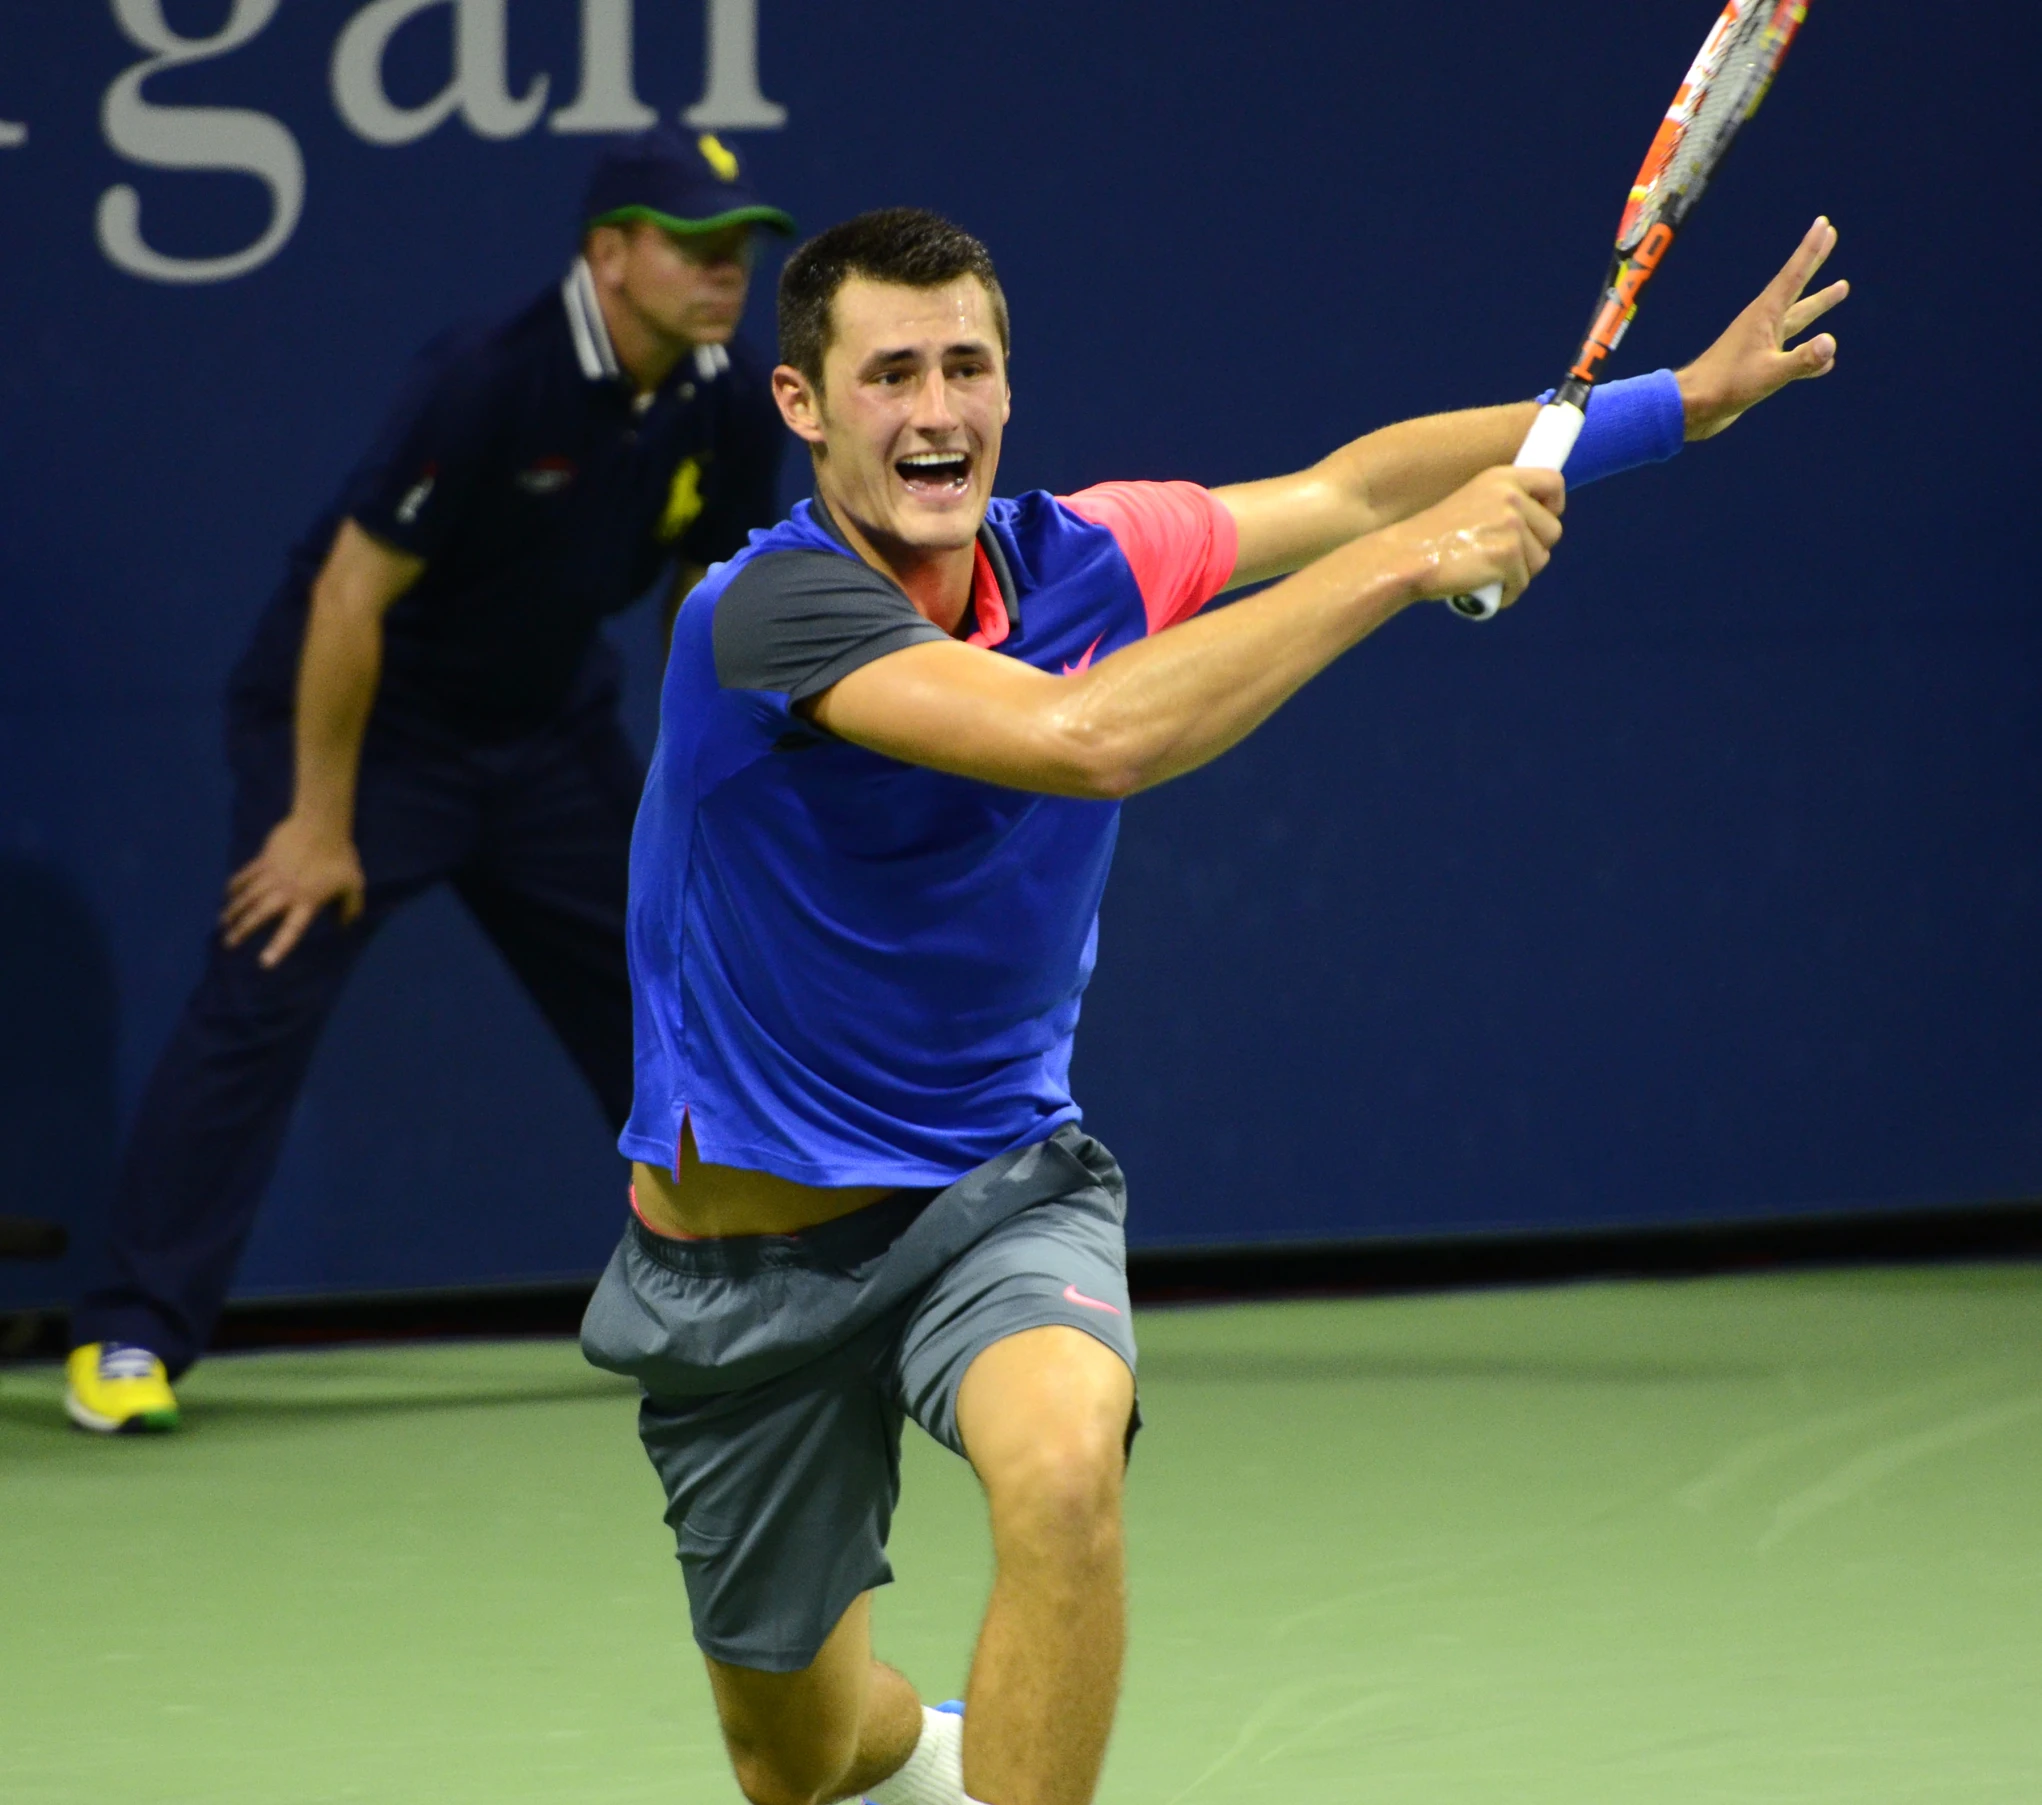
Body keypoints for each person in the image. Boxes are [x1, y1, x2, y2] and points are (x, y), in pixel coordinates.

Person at [578, 208, 1848, 1805]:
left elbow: (1349, 488)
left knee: (1059, 1479)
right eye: (888, 374)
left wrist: (1676, 406)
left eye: (967, 365)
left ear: (1007, 388)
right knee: (802, 1757)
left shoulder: (1091, 557)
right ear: (802, 407)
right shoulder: (762, 616)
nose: (936, 410)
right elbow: (1087, 736)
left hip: (990, 1195)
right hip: (740, 1261)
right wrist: (1404, 567)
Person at [64, 129, 795, 1435]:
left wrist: (700, 808)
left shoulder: (726, 400)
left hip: (546, 737)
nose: (724, 271)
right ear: (608, 255)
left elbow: (703, 601)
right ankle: (131, 1333)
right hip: (369, 724)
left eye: (736, 247)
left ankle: (757, 1298)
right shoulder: (484, 380)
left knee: (673, 1000)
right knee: (267, 976)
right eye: (691, 245)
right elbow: (351, 595)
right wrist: (316, 822)